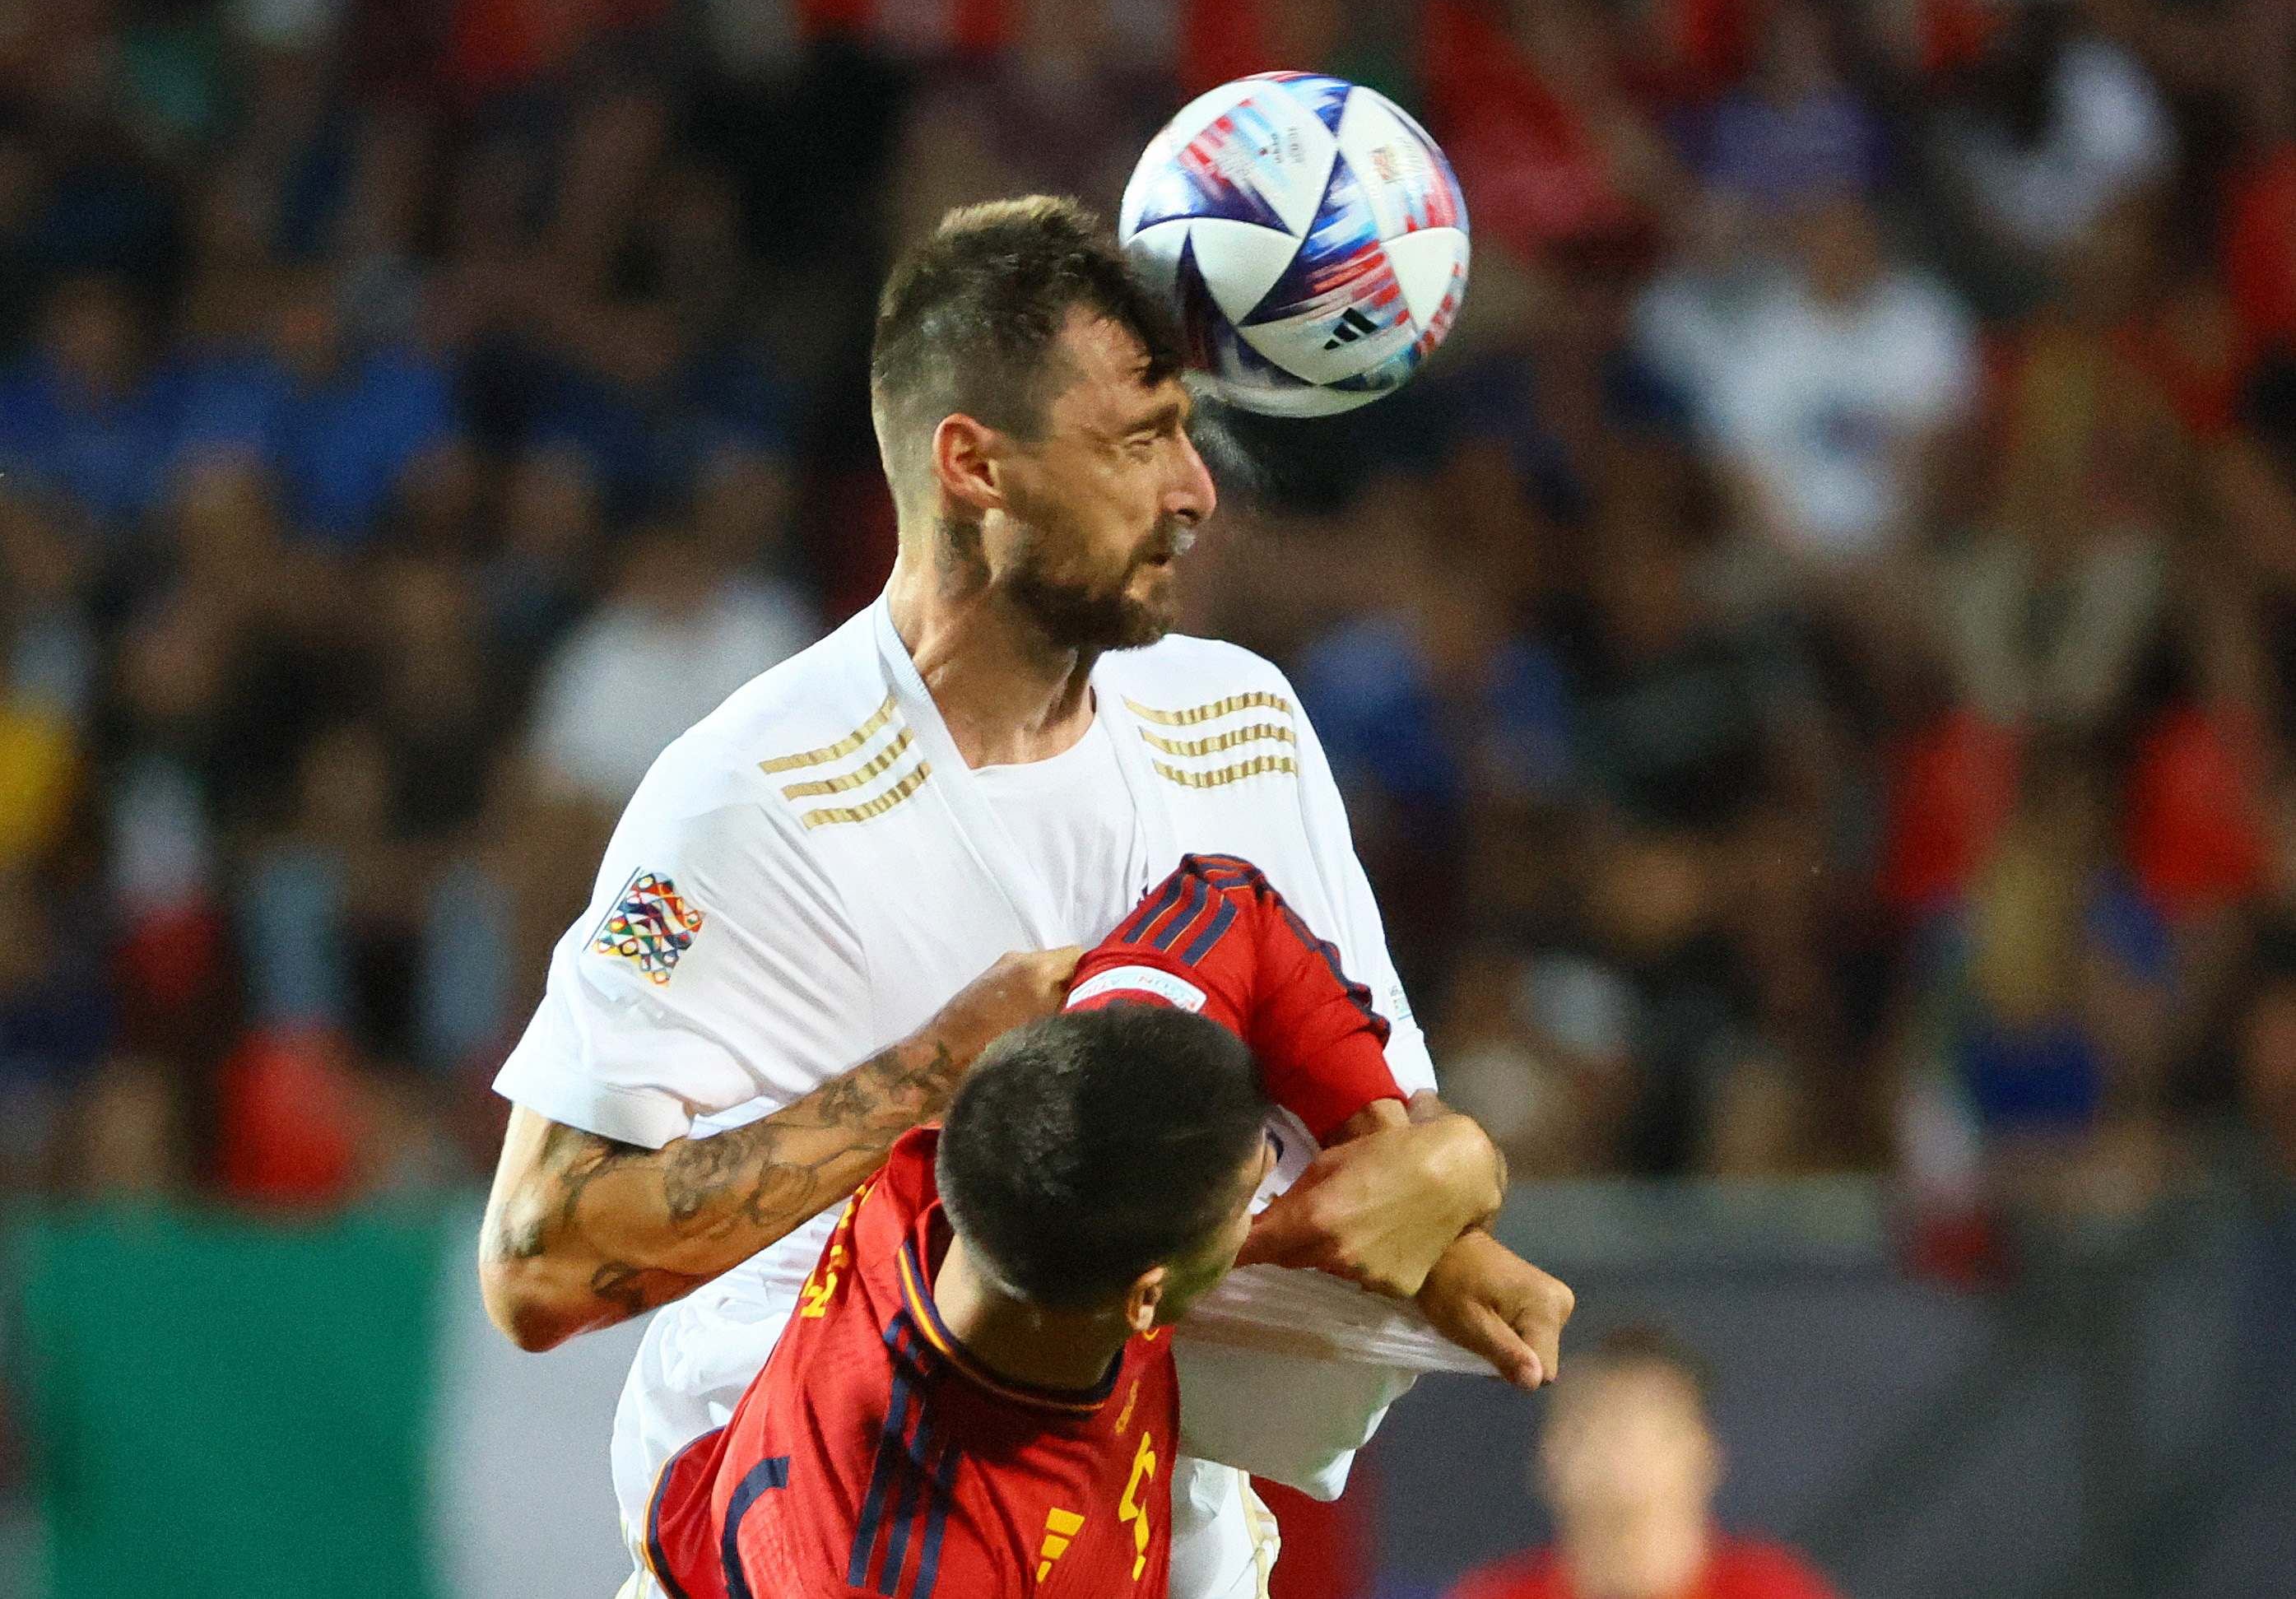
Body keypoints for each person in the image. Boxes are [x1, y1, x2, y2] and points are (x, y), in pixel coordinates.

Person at [476, 195, 1573, 1599]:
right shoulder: (742, 800)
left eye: (1186, 429)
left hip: (1147, 1539)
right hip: (821, 1542)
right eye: (1137, 441)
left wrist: (1446, 1168)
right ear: (973, 466)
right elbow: (537, 1264)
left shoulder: (1239, 721)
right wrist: (934, 1072)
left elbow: (1366, 1116)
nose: (1195, 489)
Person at [645, 850, 1504, 1597]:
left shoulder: (1040, 1146)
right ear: (1145, 1302)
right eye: (1244, 1202)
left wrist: (1392, 1136)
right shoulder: (918, 1558)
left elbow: (1223, 901)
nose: (1271, 1188)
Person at [1446, 1328, 1839, 1599]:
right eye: (1590, 1421)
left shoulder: (1777, 1590)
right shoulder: (1492, 1593)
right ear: (1548, 1454)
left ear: (1705, 1452)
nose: (1619, 1447)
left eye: (1645, 1421)